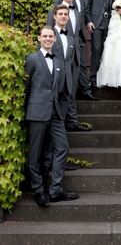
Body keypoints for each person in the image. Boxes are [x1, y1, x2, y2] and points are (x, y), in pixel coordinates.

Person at [25, 26, 79, 207]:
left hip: (56, 113)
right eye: (45, 36)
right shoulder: (32, 59)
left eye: (51, 36)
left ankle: (55, 190)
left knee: (62, 147)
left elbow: (62, 90)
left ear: (55, 39)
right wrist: (29, 111)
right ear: (39, 38)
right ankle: (38, 190)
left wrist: (61, 111)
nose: (48, 39)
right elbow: (27, 88)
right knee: (35, 154)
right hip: (37, 112)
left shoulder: (59, 62)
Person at [47, 0, 91, 132]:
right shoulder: (56, 11)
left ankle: (72, 121)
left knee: (71, 89)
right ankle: (59, 123)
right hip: (58, 56)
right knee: (58, 89)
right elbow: (49, 31)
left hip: (74, 56)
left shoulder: (77, 12)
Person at [54, 0, 97, 101]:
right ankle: (69, 92)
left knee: (81, 64)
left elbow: (84, 13)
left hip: (79, 37)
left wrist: (88, 21)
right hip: (65, 38)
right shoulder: (60, 0)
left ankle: (85, 89)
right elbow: (54, 17)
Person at [84, 0, 114, 87]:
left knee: (107, 51)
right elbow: (86, 5)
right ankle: (92, 79)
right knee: (96, 49)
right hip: (96, 24)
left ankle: (105, 78)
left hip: (111, 24)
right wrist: (89, 21)